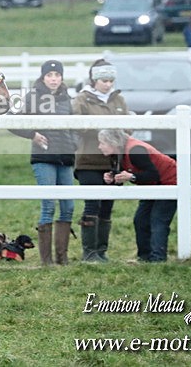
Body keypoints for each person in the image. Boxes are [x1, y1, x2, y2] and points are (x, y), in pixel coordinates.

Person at [10, 59, 77, 265]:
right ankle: (46, 260)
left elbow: (74, 124)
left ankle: (62, 257)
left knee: (68, 206)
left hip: (65, 157)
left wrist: (74, 143)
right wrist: (33, 134)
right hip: (44, 157)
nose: (54, 79)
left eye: (57, 75)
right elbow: (14, 123)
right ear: (43, 77)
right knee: (48, 204)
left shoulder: (67, 99)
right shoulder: (33, 98)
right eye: (50, 75)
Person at [72, 59, 128, 262]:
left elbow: (128, 126)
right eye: (104, 80)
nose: (108, 84)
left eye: (111, 80)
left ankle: (101, 251)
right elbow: (77, 125)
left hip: (112, 162)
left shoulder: (119, 100)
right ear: (94, 79)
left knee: (107, 206)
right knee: (92, 204)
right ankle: (89, 252)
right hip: (89, 160)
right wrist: (103, 130)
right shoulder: (82, 100)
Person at [97, 129, 177, 262]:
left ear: (113, 143)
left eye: (102, 143)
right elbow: (127, 177)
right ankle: (144, 257)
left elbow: (153, 174)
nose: (99, 147)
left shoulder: (135, 150)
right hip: (151, 185)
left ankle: (158, 259)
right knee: (140, 220)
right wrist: (111, 179)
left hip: (169, 182)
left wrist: (132, 177)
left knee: (158, 220)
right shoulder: (117, 154)